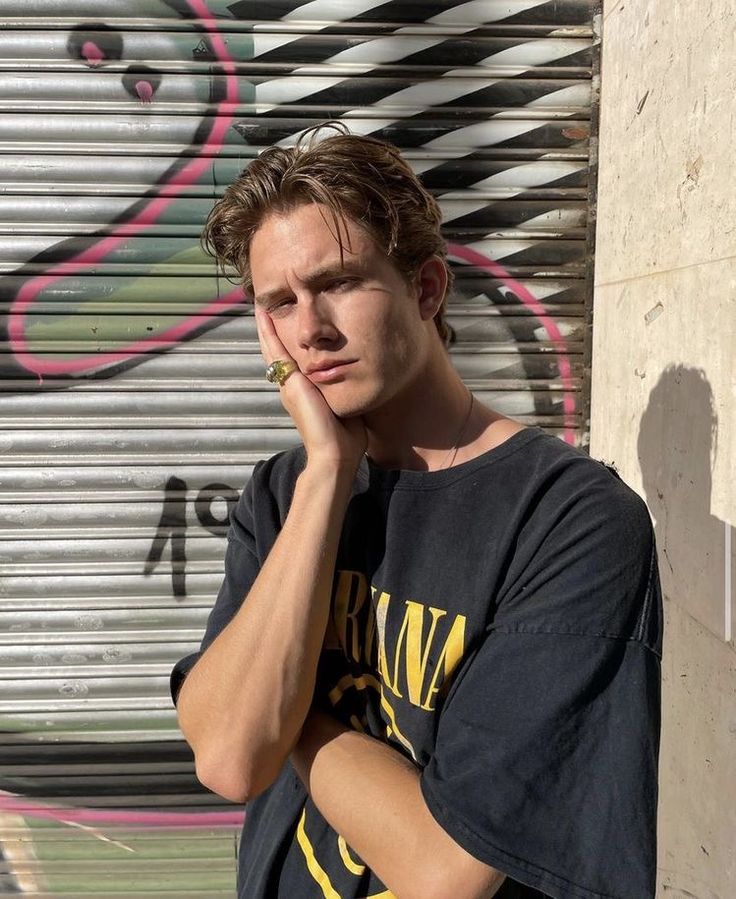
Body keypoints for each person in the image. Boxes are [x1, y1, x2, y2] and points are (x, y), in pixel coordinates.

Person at [170, 124, 663, 899]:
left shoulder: (569, 520)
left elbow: (447, 870)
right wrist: (330, 472)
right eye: (280, 303)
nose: (310, 329)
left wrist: (288, 712)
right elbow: (229, 759)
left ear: (427, 289)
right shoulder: (285, 491)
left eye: (337, 282)